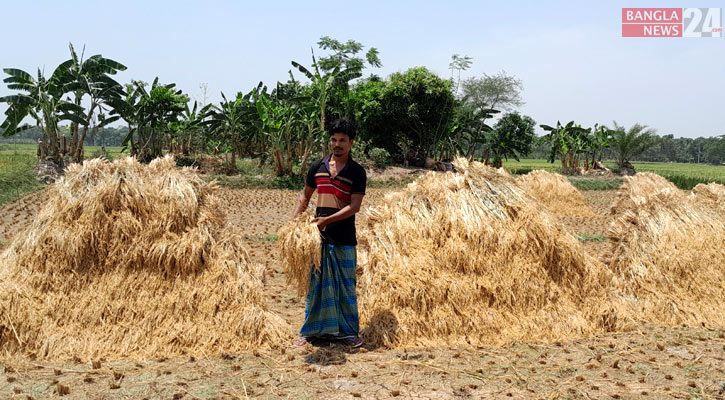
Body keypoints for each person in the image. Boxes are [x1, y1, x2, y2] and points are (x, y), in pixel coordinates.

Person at [292, 118, 367, 348]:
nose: (337, 144)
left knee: (345, 286)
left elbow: (354, 207)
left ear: (351, 143)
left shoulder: (357, 172)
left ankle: (349, 334)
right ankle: (311, 333)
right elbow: (305, 197)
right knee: (316, 286)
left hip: (344, 238)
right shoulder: (317, 167)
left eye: (342, 140)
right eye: (334, 140)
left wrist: (327, 220)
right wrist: (294, 223)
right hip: (317, 239)